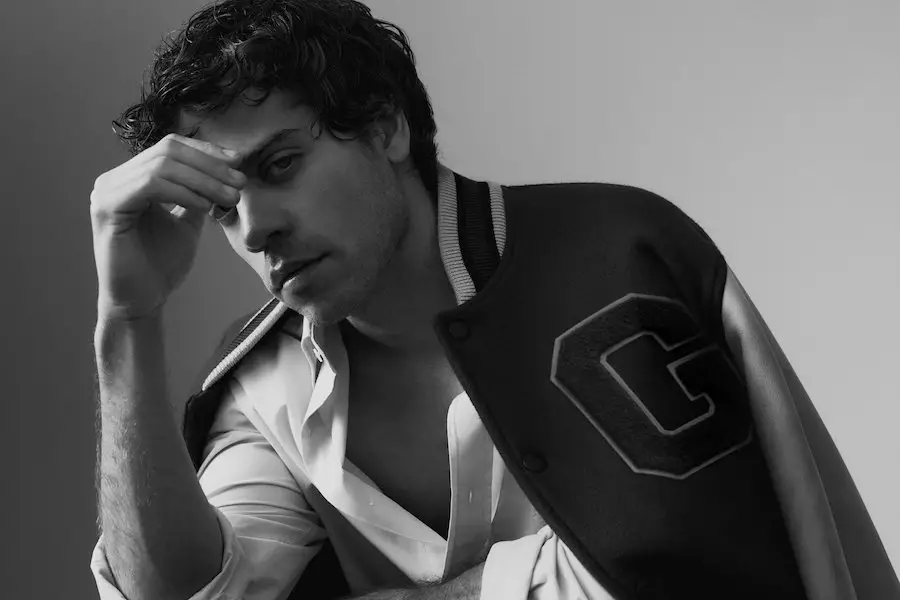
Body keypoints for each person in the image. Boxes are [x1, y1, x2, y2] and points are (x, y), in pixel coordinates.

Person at [88, 1, 899, 599]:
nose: (255, 227)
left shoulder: (615, 257)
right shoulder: (264, 382)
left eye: (279, 166)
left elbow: (676, 569)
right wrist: (127, 324)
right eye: (223, 206)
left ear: (386, 127)